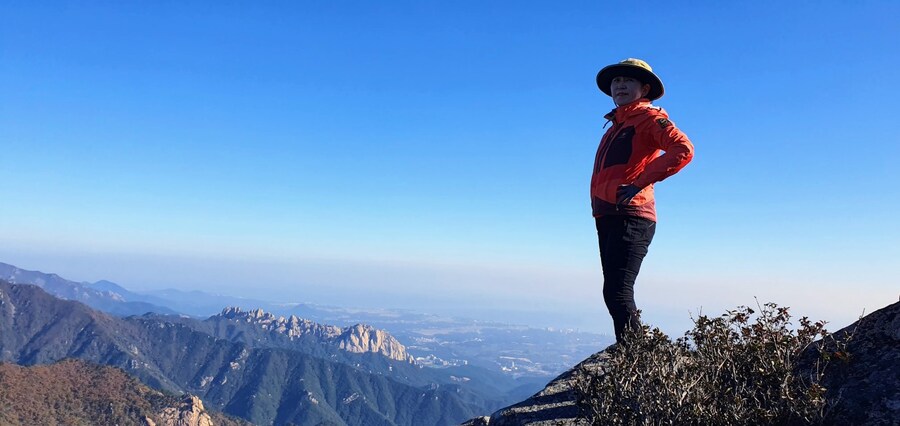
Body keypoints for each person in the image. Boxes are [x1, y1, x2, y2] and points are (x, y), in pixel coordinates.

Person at [591, 58, 694, 343]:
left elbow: (682, 149)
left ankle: (636, 358)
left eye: (628, 80)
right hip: (609, 214)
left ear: (645, 88)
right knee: (613, 290)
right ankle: (633, 354)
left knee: (618, 290)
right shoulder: (615, 126)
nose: (619, 85)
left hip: (632, 215)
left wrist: (639, 183)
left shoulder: (648, 119)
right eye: (615, 81)